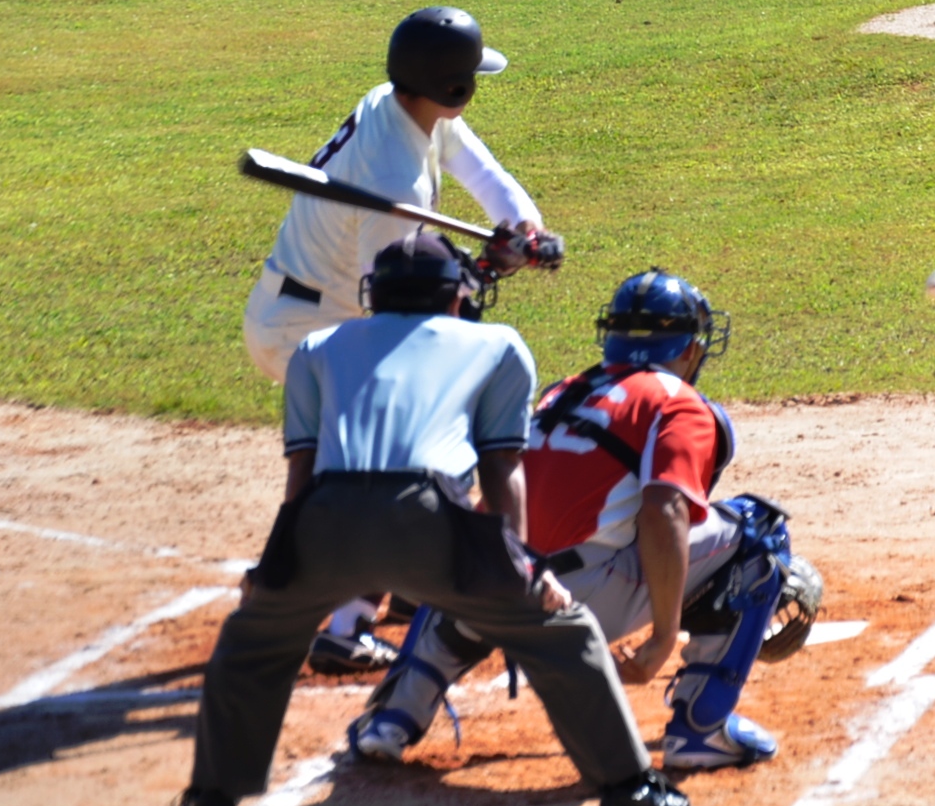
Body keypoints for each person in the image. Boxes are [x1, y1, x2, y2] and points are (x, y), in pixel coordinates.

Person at [173, 236, 691, 806]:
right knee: (557, 632)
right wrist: (524, 569)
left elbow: (301, 476)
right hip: (429, 517)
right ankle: (629, 789)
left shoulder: (315, 347)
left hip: (325, 521)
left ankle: (209, 800)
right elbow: (502, 471)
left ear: (375, 295)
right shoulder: (496, 344)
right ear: (454, 298)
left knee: (251, 642)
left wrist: (274, 574)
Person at [347, 269, 823, 774]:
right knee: (759, 532)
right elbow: (666, 512)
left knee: (476, 550)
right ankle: (700, 728)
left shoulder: (564, 392)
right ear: (688, 349)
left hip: (493, 591)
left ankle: (393, 718)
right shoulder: (678, 402)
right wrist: (663, 635)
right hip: (579, 603)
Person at [241, 5, 564, 674]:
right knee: (396, 450)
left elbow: (486, 176)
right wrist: (482, 270)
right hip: (307, 330)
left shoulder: (403, 106)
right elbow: (393, 307)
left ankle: (395, 577)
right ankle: (345, 623)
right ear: (454, 86)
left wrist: (525, 231)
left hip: (330, 314)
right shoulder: (394, 179)